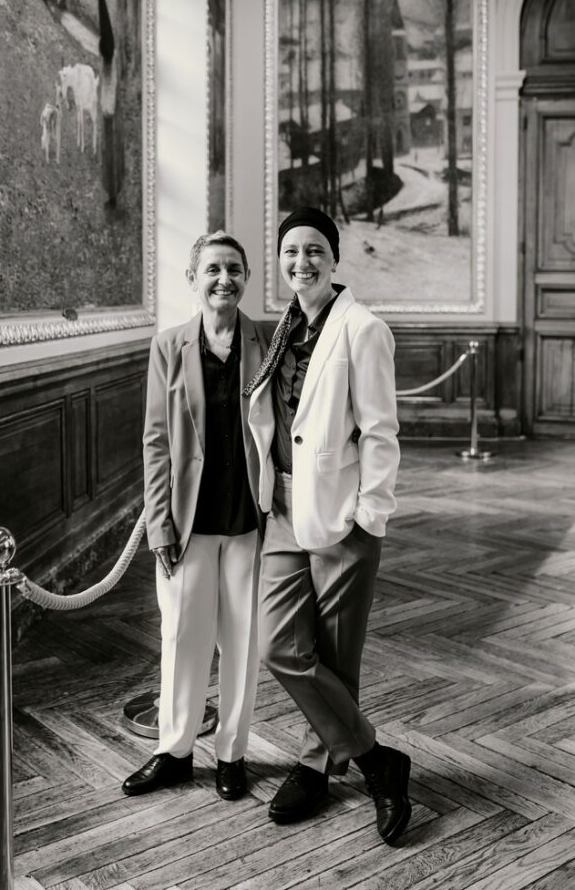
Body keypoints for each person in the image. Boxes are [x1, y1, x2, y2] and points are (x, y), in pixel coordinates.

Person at [243, 206, 411, 844]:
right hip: (283, 508)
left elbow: (381, 431)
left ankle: (318, 765)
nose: (301, 263)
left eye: (314, 250)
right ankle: (376, 759)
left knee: (337, 659)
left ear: (334, 259)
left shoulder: (361, 329)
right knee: (280, 647)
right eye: (291, 252)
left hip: (343, 516)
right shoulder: (282, 329)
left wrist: (369, 518)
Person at [122, 231, 269, 801]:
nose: (223, 279)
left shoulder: (268, 340)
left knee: (242, 640)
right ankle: (174, 751)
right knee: (182, 636)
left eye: (234, 268)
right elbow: (155, 443)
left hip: (251, 521)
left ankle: (232, 753)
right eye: (212, 269)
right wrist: (159, 524)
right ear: (193, 279)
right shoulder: (168, 347)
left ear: (246, 277)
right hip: (187, 524)